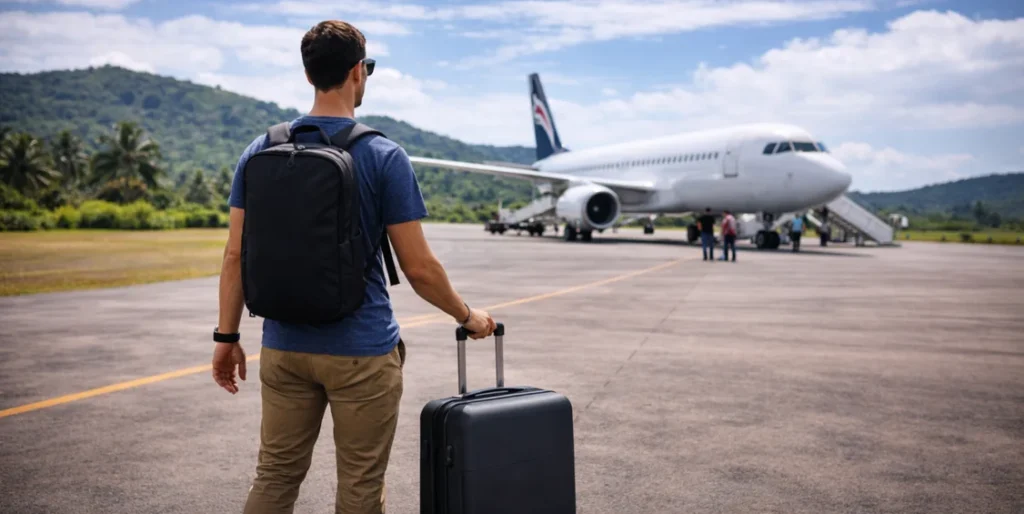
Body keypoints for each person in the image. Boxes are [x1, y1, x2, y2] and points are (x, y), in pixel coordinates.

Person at [210, 20, 496, 514]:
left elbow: (236, 255)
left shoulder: (260, 150)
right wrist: (468, 316)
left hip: (283, 346)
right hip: (362, 352)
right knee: (361, 484)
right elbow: (419, 268)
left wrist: (226, 337)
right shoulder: (383, 155)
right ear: (358, 72)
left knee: (275, 475)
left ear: (308, 75)